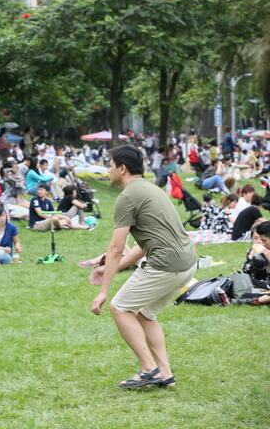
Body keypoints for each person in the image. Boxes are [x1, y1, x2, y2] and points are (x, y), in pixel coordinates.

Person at [91, 144, 197, 390]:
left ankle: (149, 369)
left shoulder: (128, 197)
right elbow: (144, 245)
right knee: (145, 313)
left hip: (166, 264)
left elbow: (116, 249)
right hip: (187, 263)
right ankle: (165, 374)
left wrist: (103, 291)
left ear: (122, 168)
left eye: (110, 165)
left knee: (120, 308)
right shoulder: (151, 188)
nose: (108, 170)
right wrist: (111, 269)